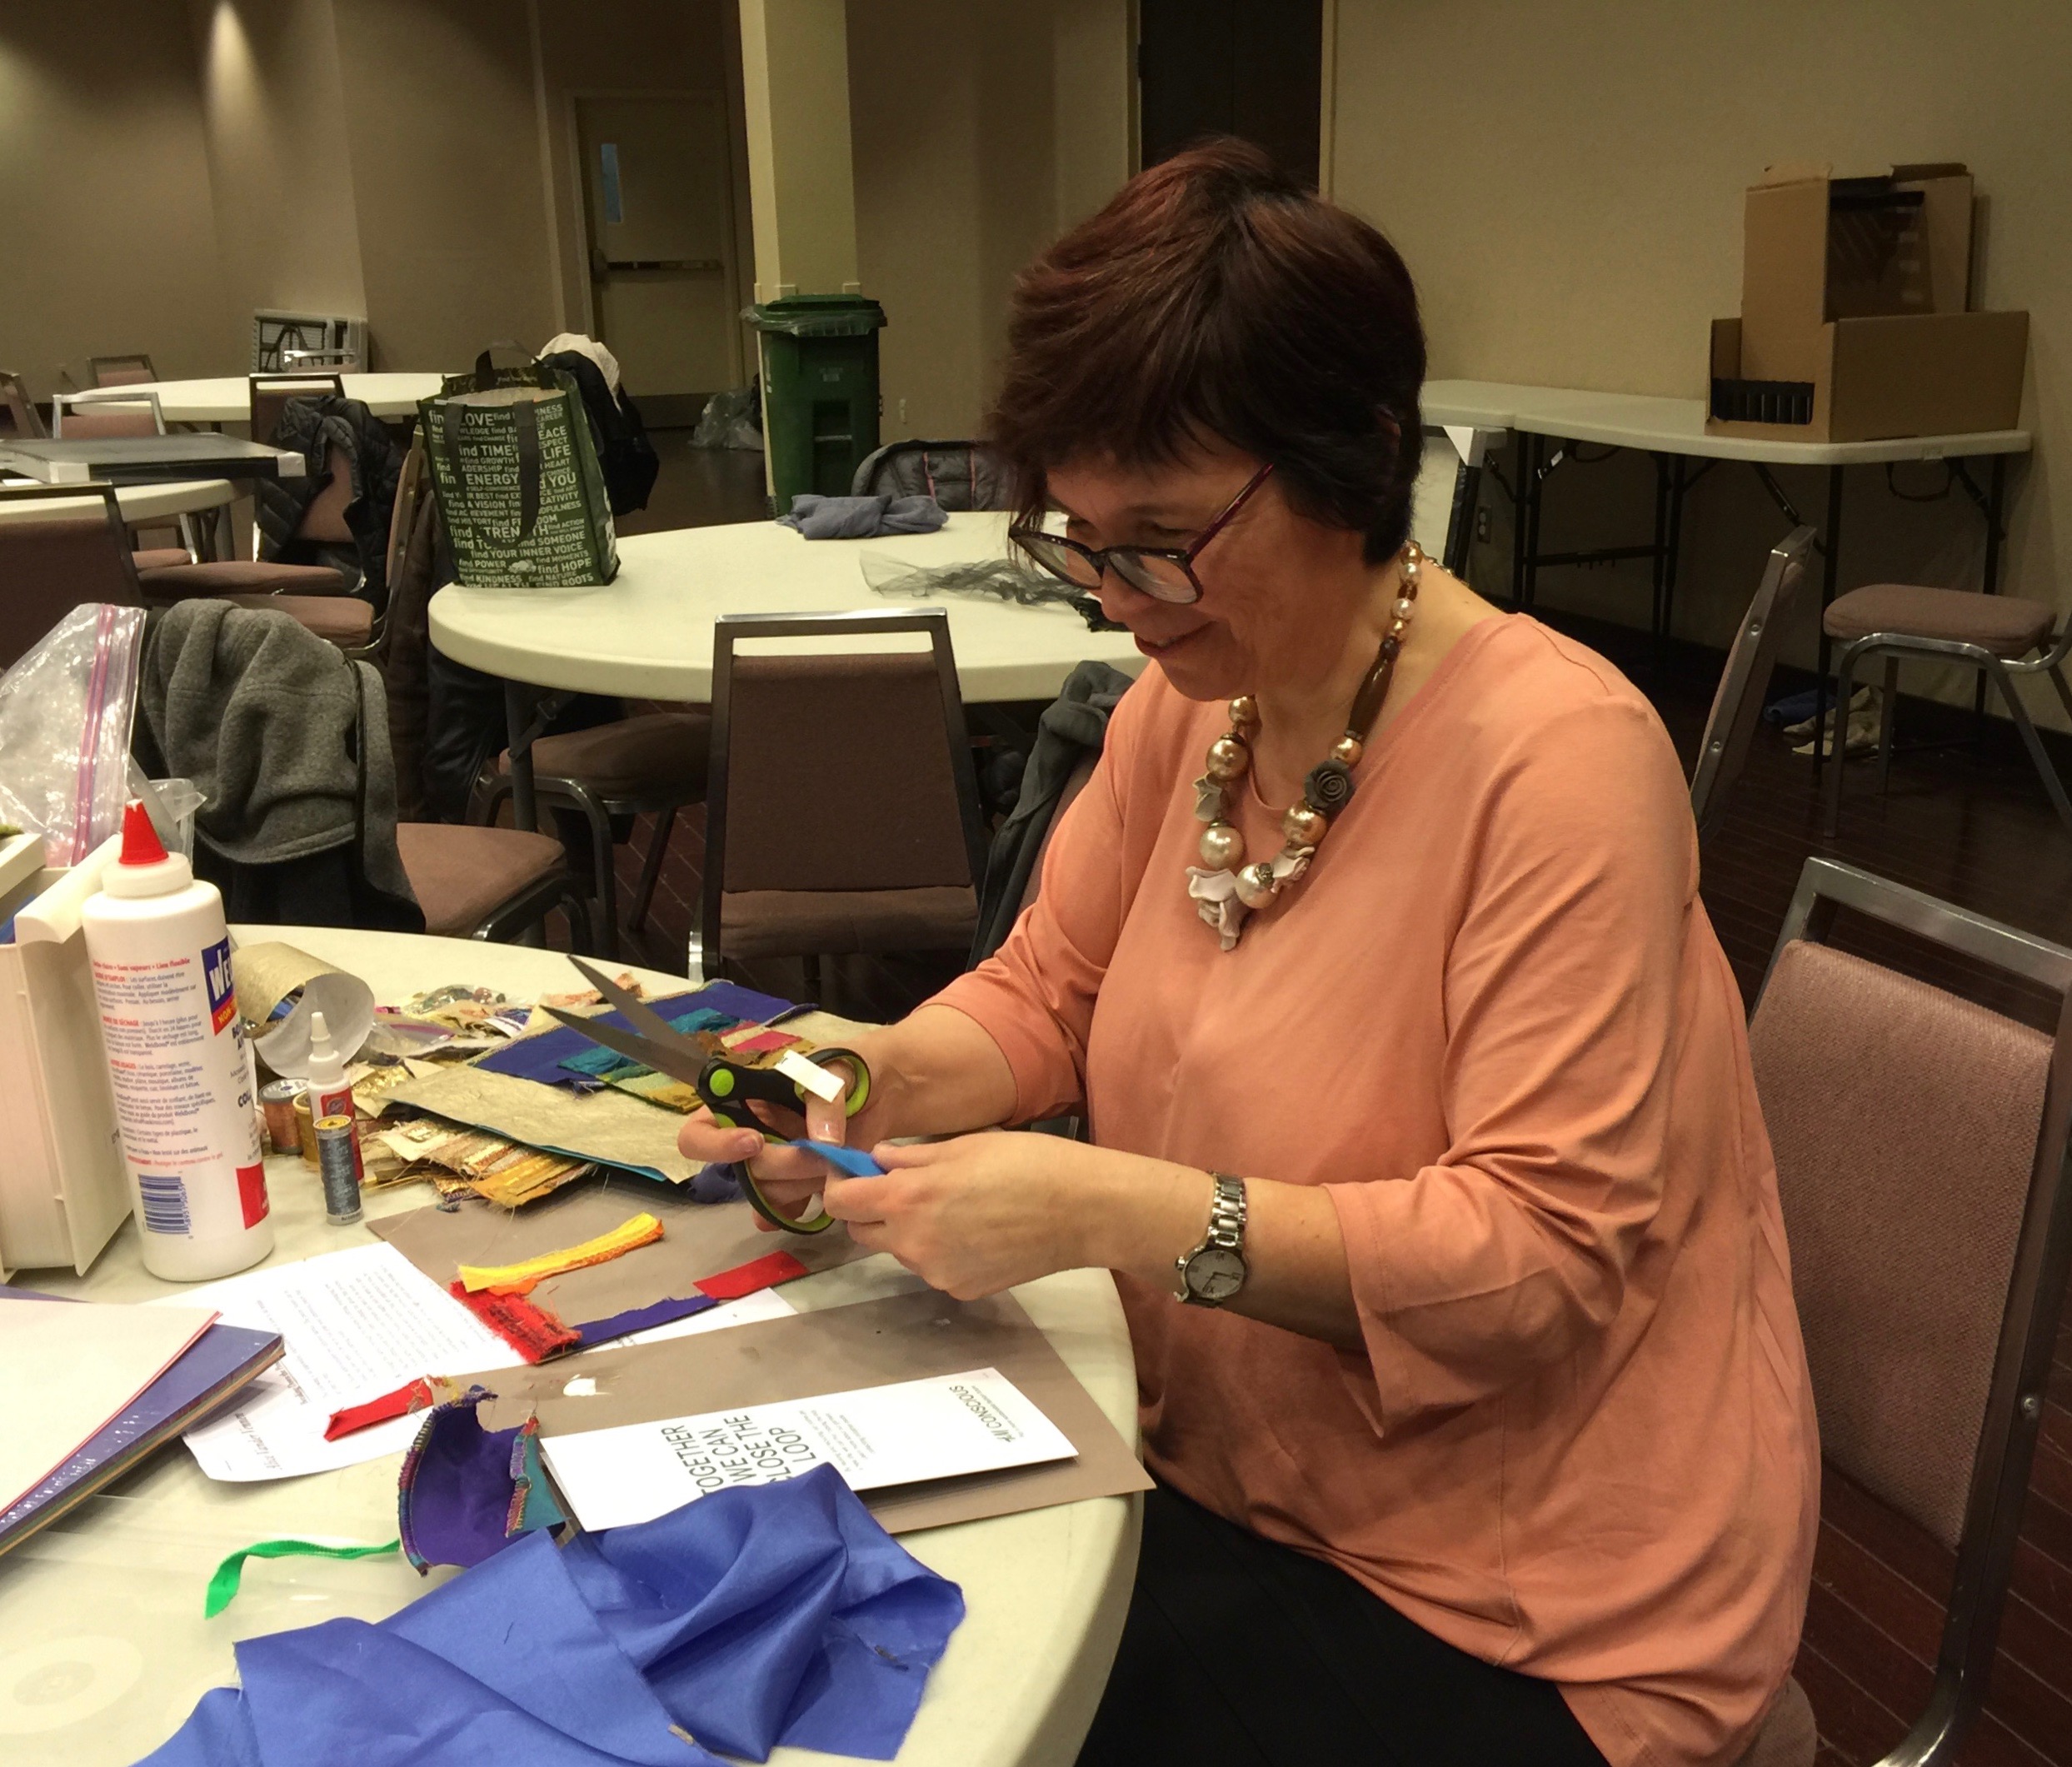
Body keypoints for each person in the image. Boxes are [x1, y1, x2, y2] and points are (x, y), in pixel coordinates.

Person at [678, 140, 1819, 1767]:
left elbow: (1538, 1261)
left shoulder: (1558, 759)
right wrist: (853, 1074)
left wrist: (1103, 1208)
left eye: (1160, 536)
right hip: (1234, 1479)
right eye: (1077, 538)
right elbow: (1048, 987)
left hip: (1530, 1601)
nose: (1118, 600)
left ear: (1357, 460)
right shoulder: (1197, 702)